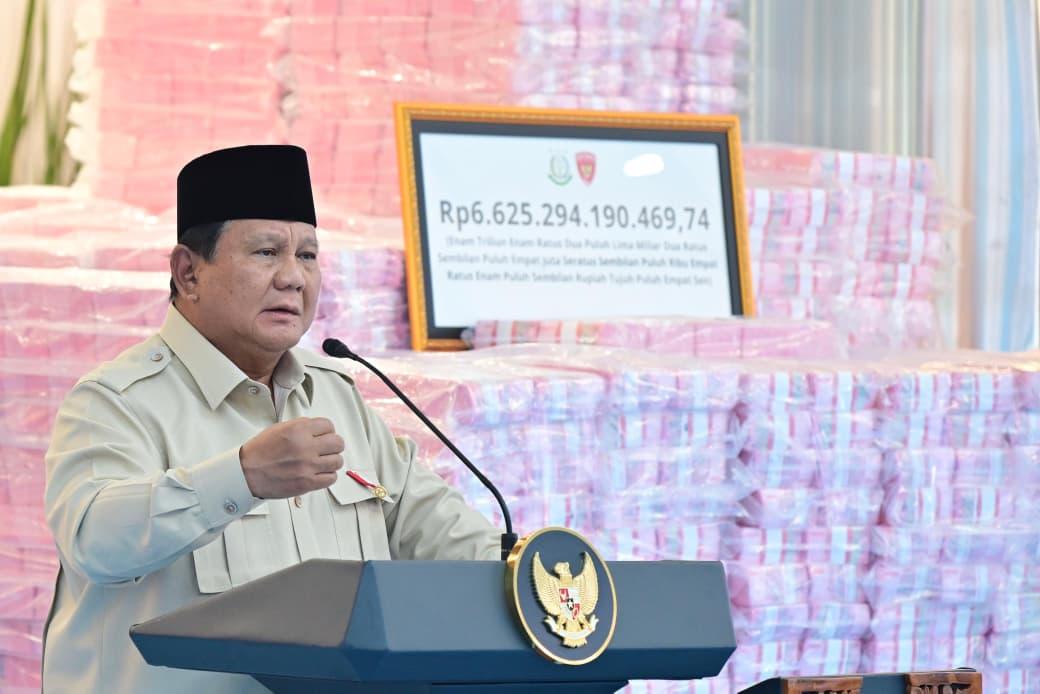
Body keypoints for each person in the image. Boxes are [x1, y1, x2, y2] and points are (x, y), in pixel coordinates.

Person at [42, 145, 500, 693]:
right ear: (188, 272)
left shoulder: (336, 395)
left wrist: (535, 576)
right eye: (266, 252)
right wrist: (242, 477)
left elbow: (435, 528)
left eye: (307, 256)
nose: (293, 278)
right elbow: (94, 541)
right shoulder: (117, 401)